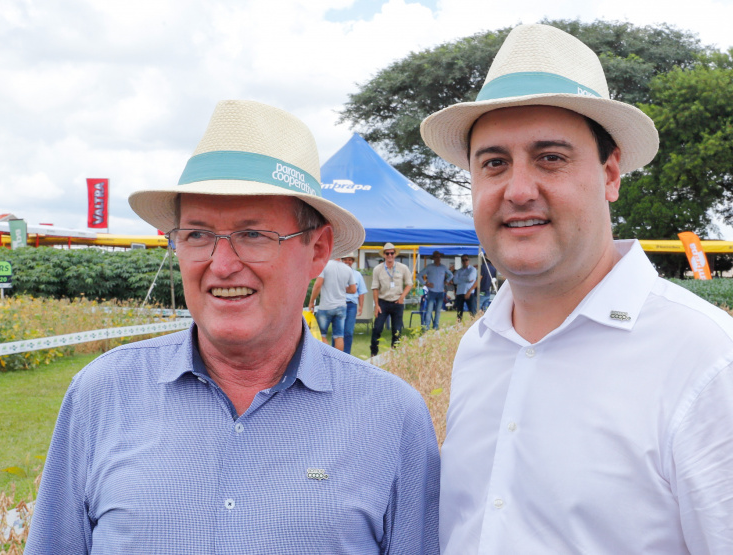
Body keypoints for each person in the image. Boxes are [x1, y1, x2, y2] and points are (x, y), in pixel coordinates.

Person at [420, 24, 733, 554]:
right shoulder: (478, 348)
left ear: (610, 175)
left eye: (550, 158)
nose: (518, 190)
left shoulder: (714, 367)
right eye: (494, 163)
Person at [27, 100, 440, 554]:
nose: (221, 265)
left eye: (253, 234)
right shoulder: (102, 394)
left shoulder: (391, 417)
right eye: (197, 235)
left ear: (318, 250)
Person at [370, 242, 413, 357]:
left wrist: (402, 297)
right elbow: (375, 288)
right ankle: (373, 353)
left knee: (397, 330)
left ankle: (395, 354)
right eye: (387, 253)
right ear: (384, 255)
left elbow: (409, 283)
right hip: (383, 302)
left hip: (397, 302)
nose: (389, 255)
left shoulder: (403, 268)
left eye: (392, 253)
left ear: (395, 254)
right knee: (377, 328)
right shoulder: (378, 269)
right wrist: (376, 305)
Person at [308, 258, 357, 351]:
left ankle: (327, 356)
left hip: (326, 306)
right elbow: (353, 289)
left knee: (321, 335)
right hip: (341, 306)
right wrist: (341, 289)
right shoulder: (347, 269)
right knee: (339, 336)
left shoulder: (324, 266)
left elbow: (318, 284)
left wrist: (311, 301)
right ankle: (337, 358)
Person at [338, 252, 367, 354]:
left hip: (351, 305)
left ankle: (346, 354)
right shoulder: (337, 273)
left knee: (348, 331)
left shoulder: (357, 275)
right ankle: (335, 353)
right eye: (345, 259)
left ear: (353, 261)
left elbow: (361, 292)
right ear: (342, 260)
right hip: (339, 304)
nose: (347, 261)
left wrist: (361, 306)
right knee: (338, 331)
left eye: (350, 259)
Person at [420, 251, 452, 329]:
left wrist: (447, 281)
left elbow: (451, 275)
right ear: (433, 258)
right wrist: (425, 283)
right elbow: (419, 275)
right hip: (432, 291)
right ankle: (427, 327)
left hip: (440, 291)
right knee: (429, 310)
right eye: (436, 257)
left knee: (438, 311)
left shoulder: (443, 267)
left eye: (439, 257)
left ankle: (435, 326)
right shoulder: (429, 267)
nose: (438, 259)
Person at [451, 255, 478, 320]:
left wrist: (460, 278)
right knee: (459, 312)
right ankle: (459, 324)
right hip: (460, 292)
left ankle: (473, 324)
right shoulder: (458, 271)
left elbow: (470, 278)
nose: (465, 261)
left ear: (469, 260)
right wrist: (466, 278)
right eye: (463, 260)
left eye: (466, 259)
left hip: (469, 292)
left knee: (472, 311)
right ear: (461, 261)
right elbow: (455, 281)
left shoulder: (473, 269)